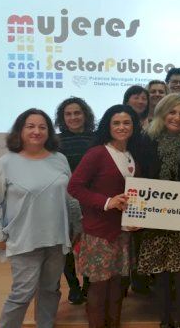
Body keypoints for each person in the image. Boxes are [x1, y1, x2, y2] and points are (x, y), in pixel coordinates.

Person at [0, 108, 80, 328]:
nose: (37, 131)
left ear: (49, 132)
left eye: (42, 127)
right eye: (30, 126)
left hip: (56, 239)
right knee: (22, 293)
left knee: (50, 290)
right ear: (20, 130)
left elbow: (70, 197)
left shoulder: (60, 159)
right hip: (23, 240)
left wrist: (77, 226)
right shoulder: (5, 163)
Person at [68, 105, 141, 328]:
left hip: (124, 232)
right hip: (99, 232)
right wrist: (108, 202)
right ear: (107, 127)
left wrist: (139, 217)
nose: (121, 127)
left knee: (118, 286)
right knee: (99, 287)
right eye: (116, 123)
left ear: (134, 126)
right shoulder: (97, 153)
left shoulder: (133, 155)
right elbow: (74, 187)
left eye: (126, 123)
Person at [138, 94, 180, 328]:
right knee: (161, 273)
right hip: (155, 217)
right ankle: (164, 320)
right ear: (162, 113)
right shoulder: (146, 142)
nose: (177, 118)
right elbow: (139, 177)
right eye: (172, 112)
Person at [55, 96, 96, 304]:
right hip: (64, 200)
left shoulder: (97, 138)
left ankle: (89, 284)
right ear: (62, 118)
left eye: (77, 113)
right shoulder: (55, 141)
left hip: (91, 200)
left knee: (89, 245)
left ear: (85, 115)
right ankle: (73, 287)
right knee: (67, 246)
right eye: (68, 114)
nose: (73, 117)